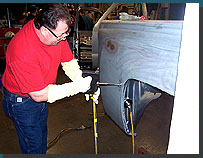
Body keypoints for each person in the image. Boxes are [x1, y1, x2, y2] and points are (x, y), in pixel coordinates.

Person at [2, 4, 92, 154]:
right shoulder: (22, 52)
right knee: (34, 145)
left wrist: (79, 79)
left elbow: (68, 61)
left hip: (41, 90)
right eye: (62, 34)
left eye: (66, 32)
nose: (65, 38)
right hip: (22, 101)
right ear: (44, 30)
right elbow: (39, 95)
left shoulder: (55, 33)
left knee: (42, 134)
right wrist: (75, 88)